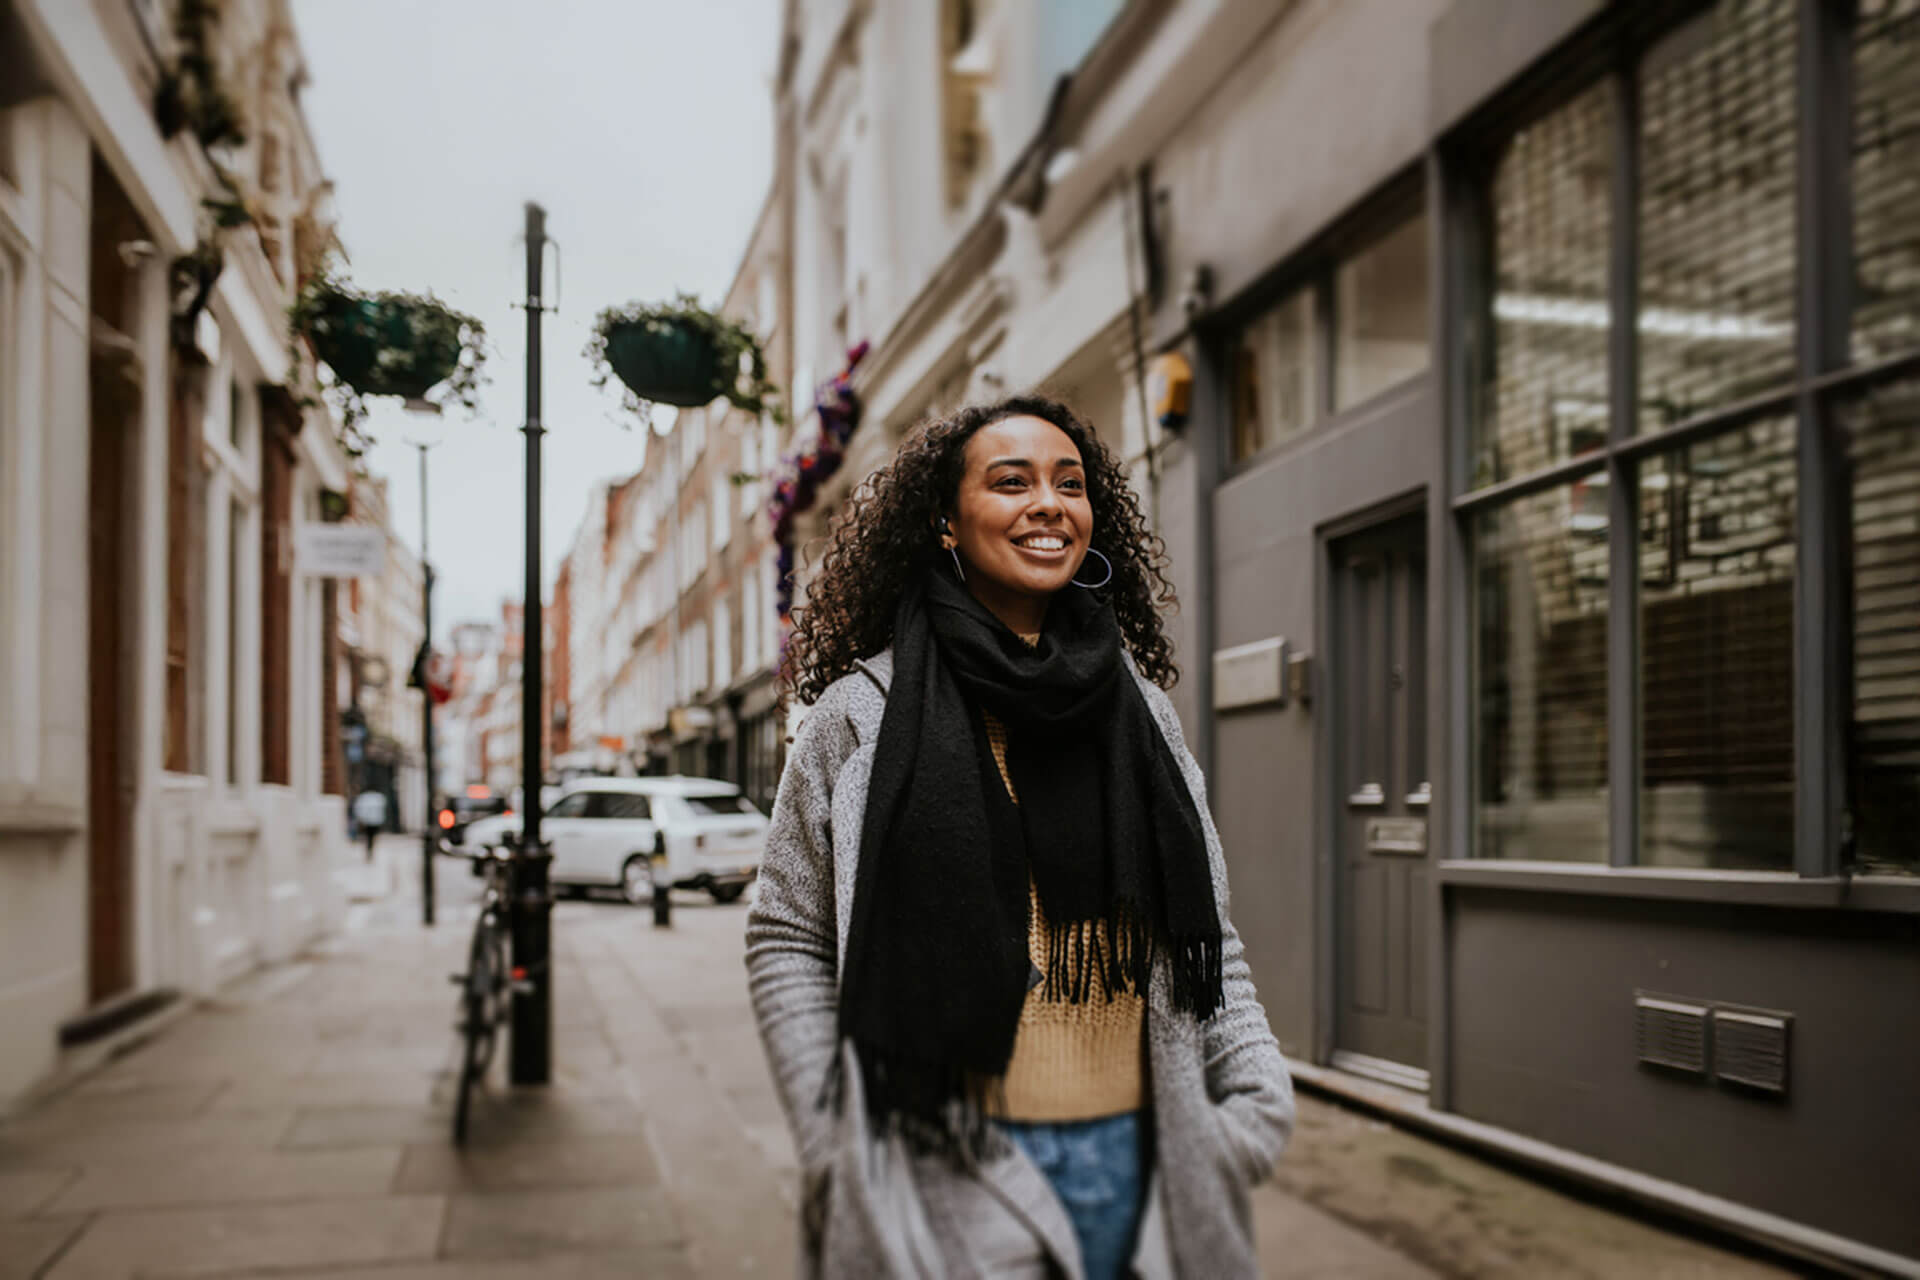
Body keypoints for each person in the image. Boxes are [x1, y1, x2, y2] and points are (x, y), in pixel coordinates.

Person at [746, 395, 1293, 1278]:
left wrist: (1254, 1103)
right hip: (943, 1165)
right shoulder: (858, 717)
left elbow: (1206, 938)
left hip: (1147, 1167)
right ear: (946, 524)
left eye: (1069, 484)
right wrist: (830, 1142)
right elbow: (786, 936)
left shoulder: (1141, 715)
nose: (1049, 503)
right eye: (1012, 482)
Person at [351, 788, 388, 863]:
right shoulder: (379, 797)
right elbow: (382, 809)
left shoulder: (364, 798)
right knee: (372, 837)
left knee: (368, 837)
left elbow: (358, 809)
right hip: (375, 821)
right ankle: (370, 850)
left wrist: (361, 818)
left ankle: (369, 850)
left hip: (367, 821)